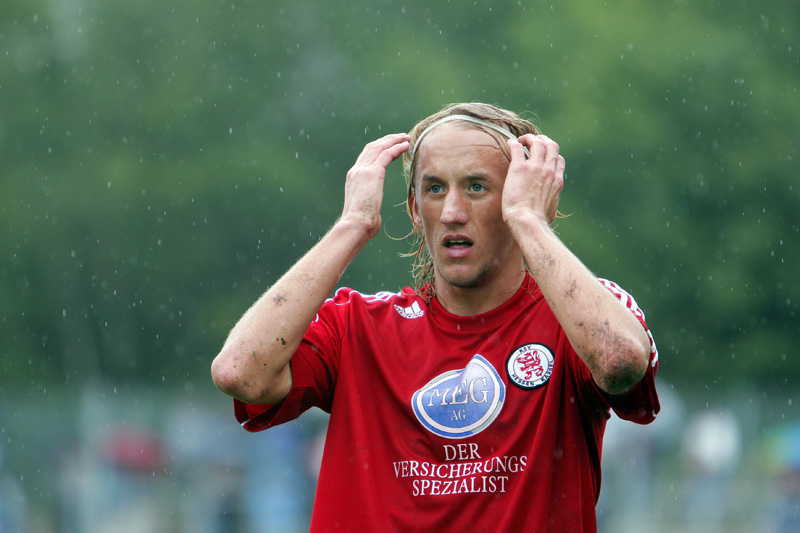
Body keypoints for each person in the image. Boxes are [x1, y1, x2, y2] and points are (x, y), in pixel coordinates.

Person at [211, 102, 660, 532]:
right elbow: (239, 372)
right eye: (435, 189)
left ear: (519, 198)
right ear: (414, 209)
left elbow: (619, 361)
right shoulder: (356, 325)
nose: (451, 213)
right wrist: (351, 227)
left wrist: (530, 222)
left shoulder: (578, 317)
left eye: (477, 187)